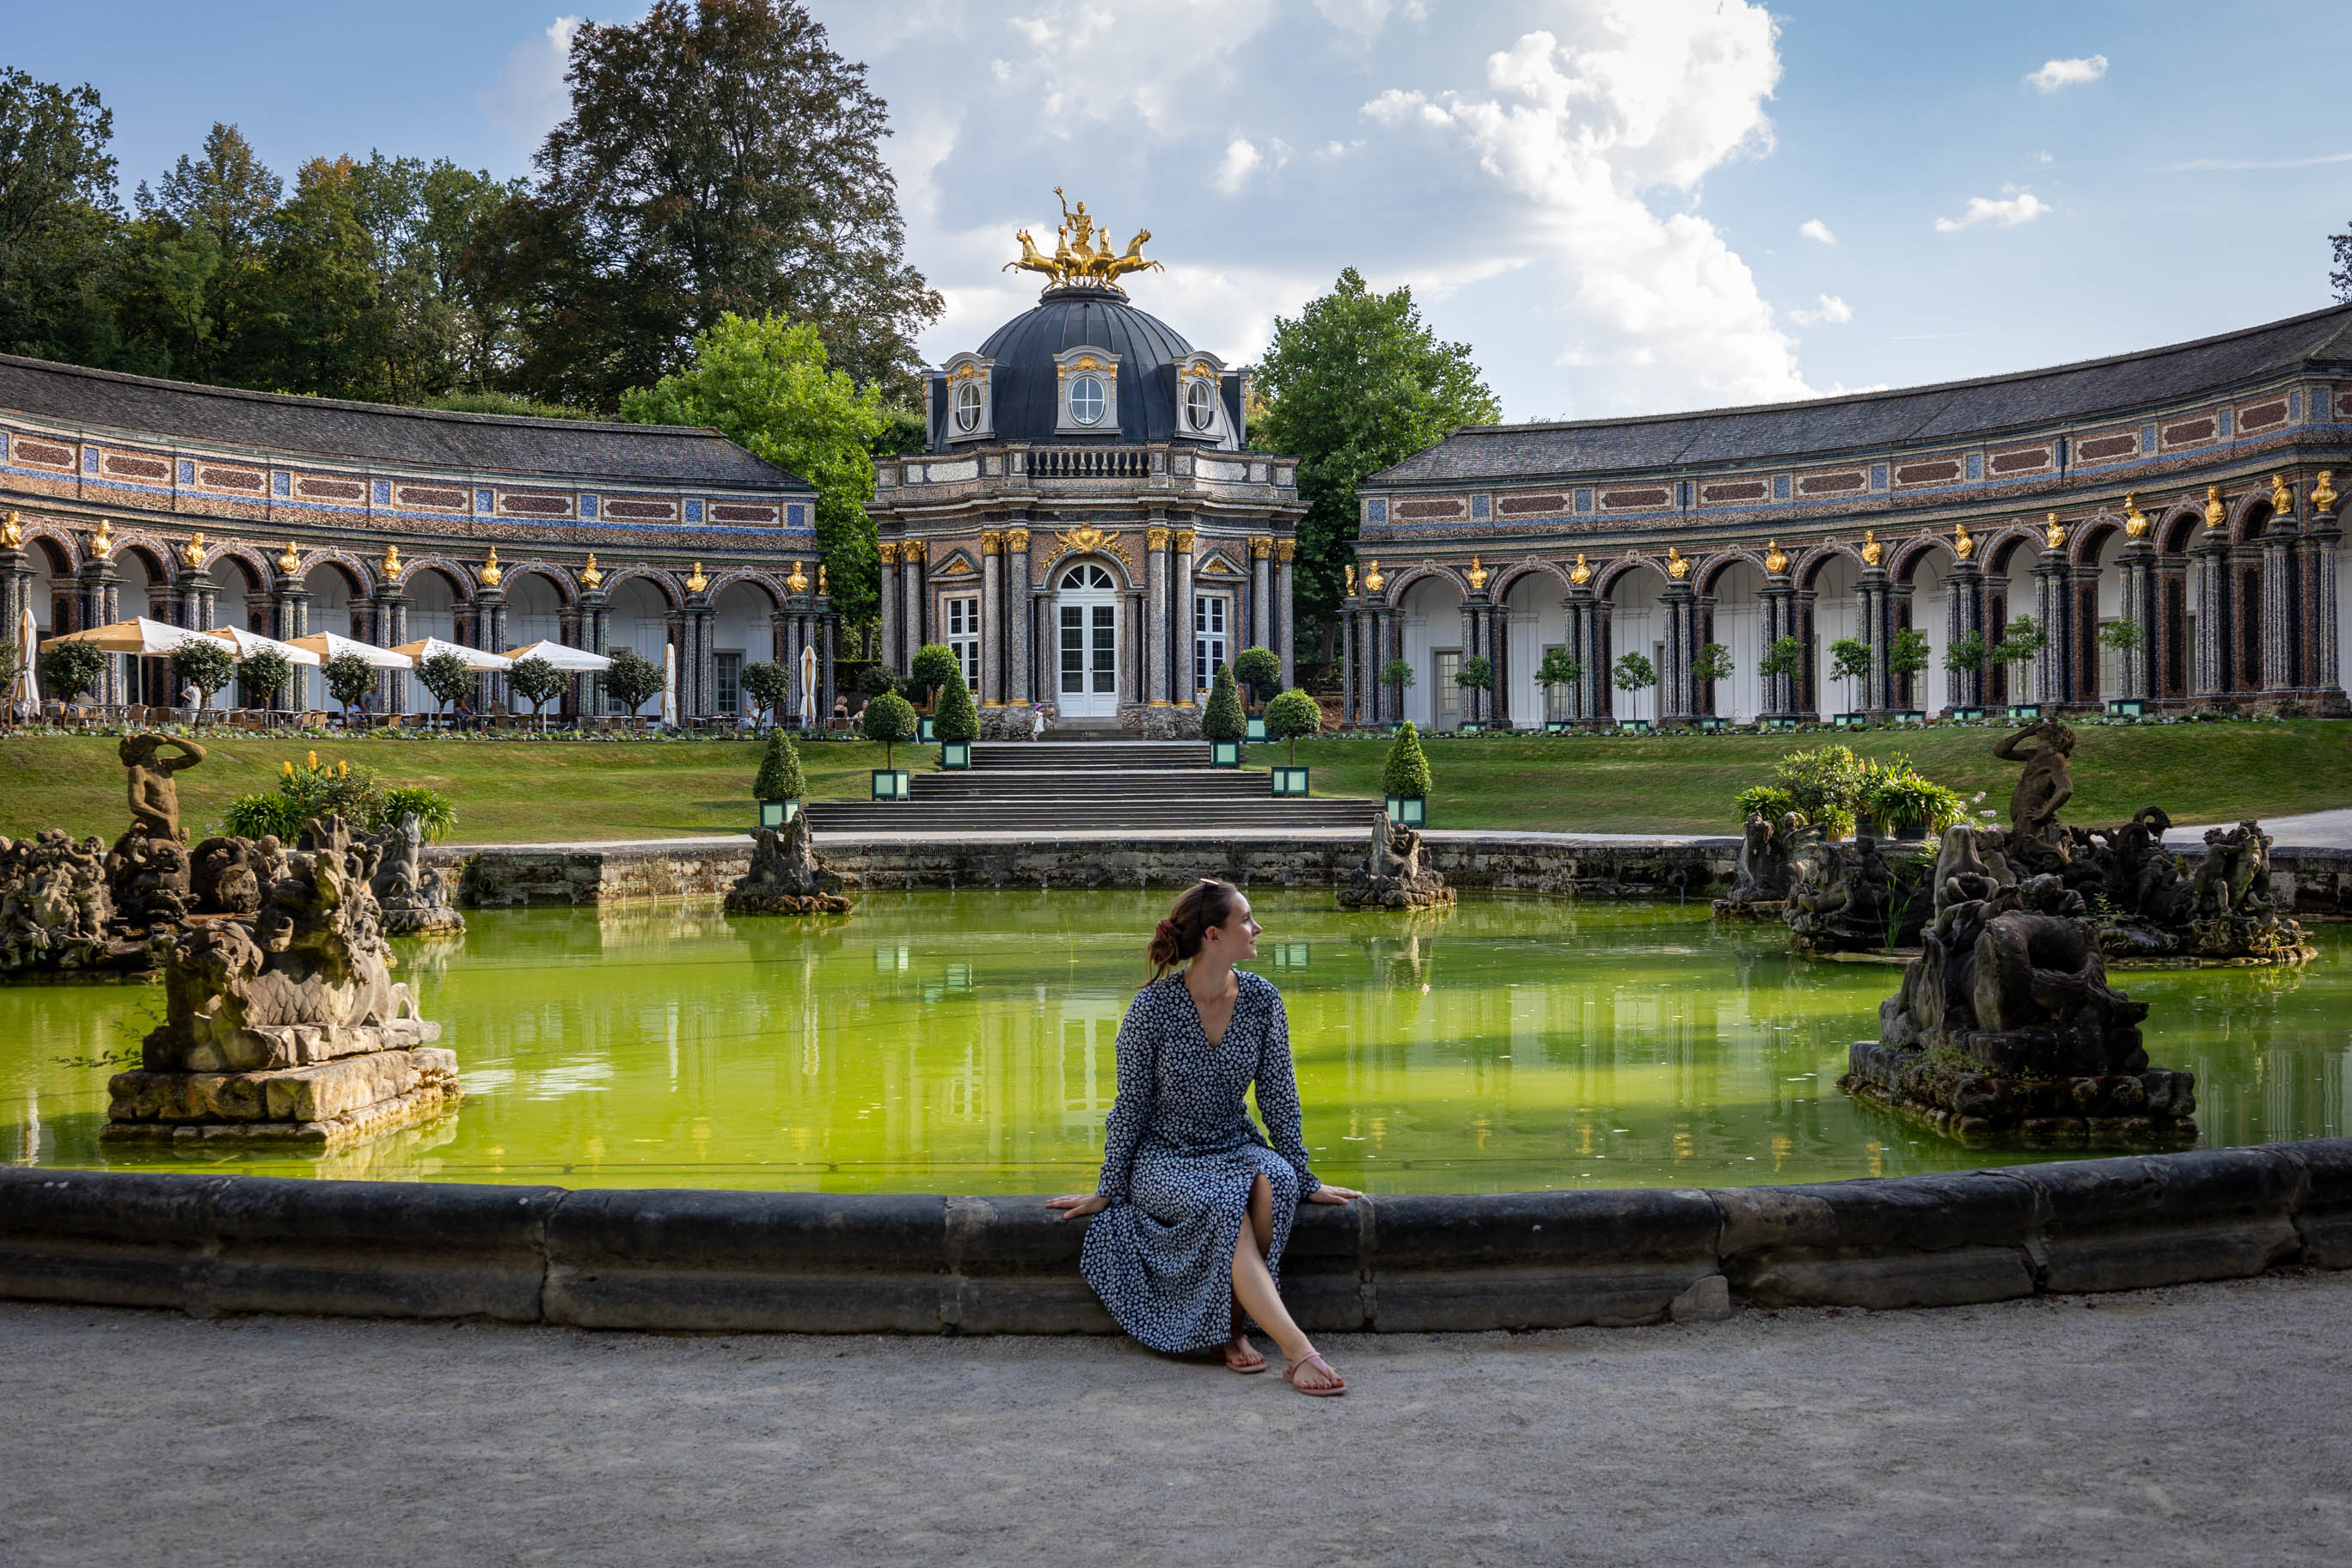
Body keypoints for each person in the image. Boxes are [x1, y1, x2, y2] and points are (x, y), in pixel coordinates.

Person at [1049, 879, 1361, 1395]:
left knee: (1276, 1182)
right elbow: (1129, 1109)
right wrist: (1109, 1188)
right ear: (1214, 935)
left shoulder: (1262, 1000)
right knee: (1225, 1205)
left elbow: (1279, 1098)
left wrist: (1305, 1178)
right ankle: (1296, 1349)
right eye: (1247, 919)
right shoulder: (1151, 1010)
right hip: (1165, 1156)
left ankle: (1228, 1329)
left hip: (1234, 1143)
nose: (1257, 927)